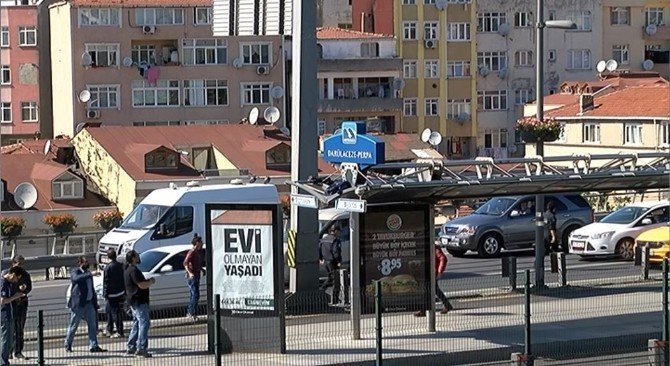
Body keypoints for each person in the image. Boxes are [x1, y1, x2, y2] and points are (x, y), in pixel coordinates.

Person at [64, 256, 106, 353]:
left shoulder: (88, 274)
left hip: (89, 303)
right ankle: (68, 344)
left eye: (88, 262)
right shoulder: (76, 272)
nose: (87, 264)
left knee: (92, 325)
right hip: (79, 304)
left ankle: (93, 345)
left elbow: (91, 289)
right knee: (74, 325)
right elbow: (75, 279)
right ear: (80, 263)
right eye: (85, 262)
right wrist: (90, 274)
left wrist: (95, 303)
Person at [125, 250, 156, 358]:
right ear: (133, 258)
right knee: (144, 323)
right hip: (139, 301)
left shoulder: (128, 270)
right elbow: (141, 285)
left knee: (136, 323)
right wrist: (150, 282)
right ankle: (141, 347)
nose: (139, 257)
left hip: (134, 301)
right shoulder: (133, 270)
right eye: (137, 256)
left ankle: (131, 346)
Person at [415, 247, 454, 317]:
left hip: (431, 273)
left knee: (427, 290)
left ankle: (423, 310)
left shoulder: (433, 247)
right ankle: (447, 305)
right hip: (427, 272)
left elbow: (443, 258)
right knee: (432, 290)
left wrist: (440, 271)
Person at [6, 256, 31, 360]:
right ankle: (8, 351)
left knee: (19, 329)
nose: (21, 266)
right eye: (18, 264)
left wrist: (24, 290)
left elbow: (29, 287)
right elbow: (6, 287)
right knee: (9, 330)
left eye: (22, 264)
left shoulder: (25, 274)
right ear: (13, 264)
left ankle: (18, 351)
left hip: (22, 304)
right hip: (11, 305)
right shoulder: (8, 274)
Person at [1, 267, 25, 366]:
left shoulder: (9, 283)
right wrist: (16, 296)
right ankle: (3, 362)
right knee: (6, 339)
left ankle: (5, 360)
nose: (16, 281)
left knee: (10, 339)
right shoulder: (3, 283)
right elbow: (3, 300)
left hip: (11, 314)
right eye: (16, 278)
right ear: (13, 274)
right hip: (5, 314)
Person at [103, 249, 125, 338]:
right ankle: (109, 329)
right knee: (109, 310)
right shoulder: (120, 265)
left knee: (115, 312)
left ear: (108, 257)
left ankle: (119, 331)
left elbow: (106, 282)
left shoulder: (108, 268)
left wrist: (105, 293)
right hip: (120, 292)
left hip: (111, 294)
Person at [319, 227, 342, 305]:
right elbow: (336, 251)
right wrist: (339, 261)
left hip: (326, 261)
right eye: (338, 231)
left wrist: (321, 258)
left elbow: (319, 248)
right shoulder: (335, 240)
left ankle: (322, 290)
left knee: (331, 277)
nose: (339, 233)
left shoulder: (324, 239)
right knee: (336, 280)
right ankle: (335, 298)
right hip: (333, 262)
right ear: (335, 231)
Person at [183, 234, 203, 320]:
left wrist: (201, 269)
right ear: (197, 243)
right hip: (193, 276)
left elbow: (195, 263)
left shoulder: (196, 252)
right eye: (201, 242)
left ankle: (192, 313)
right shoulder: (192, 252)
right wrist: (190, 273)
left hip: (197, 274)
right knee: (195, 295)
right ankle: (191, 313)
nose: (202, 244)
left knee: (194, 294)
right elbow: (185, 263)